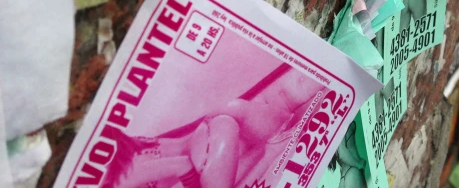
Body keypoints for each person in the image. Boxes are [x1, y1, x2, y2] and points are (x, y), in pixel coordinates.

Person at [99, 64, 327, 188]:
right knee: (236, 111)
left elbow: (181, 165)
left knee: (236, 117)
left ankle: (287, 138)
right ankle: (289, 134)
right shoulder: (131, 150)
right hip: (216, 139)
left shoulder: (120, 177)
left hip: (212, 150)